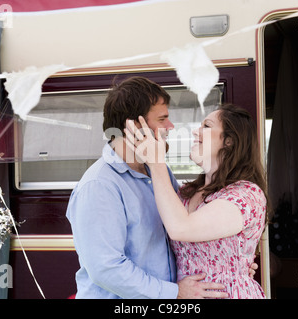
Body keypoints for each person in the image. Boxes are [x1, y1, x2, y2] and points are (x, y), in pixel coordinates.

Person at [66, 76, 230, 299]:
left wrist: (228, 260)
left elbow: (182, 228)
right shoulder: (99, 186)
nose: (171, 127)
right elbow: (106, 268)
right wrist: (175, 293)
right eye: (163, 119)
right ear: (134, 127)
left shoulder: (157, 171)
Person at [125, 103, 268, 299]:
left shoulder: (247, 195)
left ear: (229, 141)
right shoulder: (185, 193)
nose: (195, 132)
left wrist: (156, 162)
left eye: (206, 126)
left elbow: (180, 228)